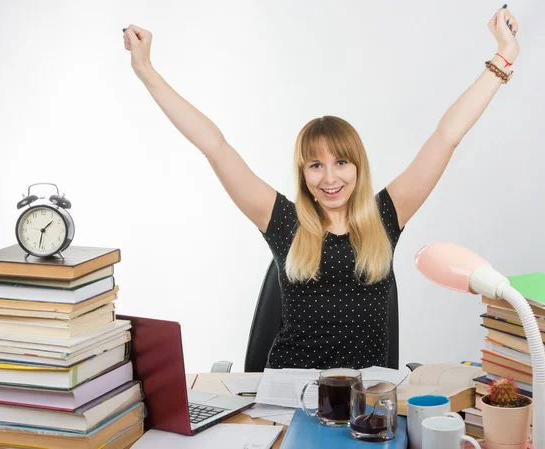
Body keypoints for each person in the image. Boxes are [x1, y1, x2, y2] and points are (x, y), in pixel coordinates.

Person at [123, 6, 519, 369]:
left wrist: (503, 56)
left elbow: (446, 136)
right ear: (303, 173)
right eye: (316, 165)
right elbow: (214, 145)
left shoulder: (386, 215)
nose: (330, 178)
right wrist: (146, 70)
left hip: (366, 400)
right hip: (289, 393)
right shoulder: (281, 220)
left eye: (341, 163)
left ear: (358, 167)